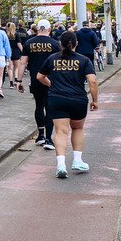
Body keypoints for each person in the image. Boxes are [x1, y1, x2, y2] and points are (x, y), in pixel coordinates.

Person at [36, 31, 99, 178]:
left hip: (57, 99)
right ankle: (77, 160)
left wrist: (50, 84)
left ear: (60, 43)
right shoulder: (84, 60)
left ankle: (61, 165)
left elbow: (39, 76)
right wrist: (95, 100)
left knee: (60, 132)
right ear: (76, 43)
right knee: (77, 128)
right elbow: (92, 81)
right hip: (77, 99)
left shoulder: (52, 58)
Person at [23, 20, 60, 149]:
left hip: (35, 79)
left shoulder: (29, 43)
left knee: (39, 106)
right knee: (50, 108)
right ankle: (49, 139)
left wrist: (18, 80)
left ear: (38, 29)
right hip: (51, 81)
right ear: (49, 29)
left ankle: (41, 135)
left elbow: (23, 63)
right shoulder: (55, 44)